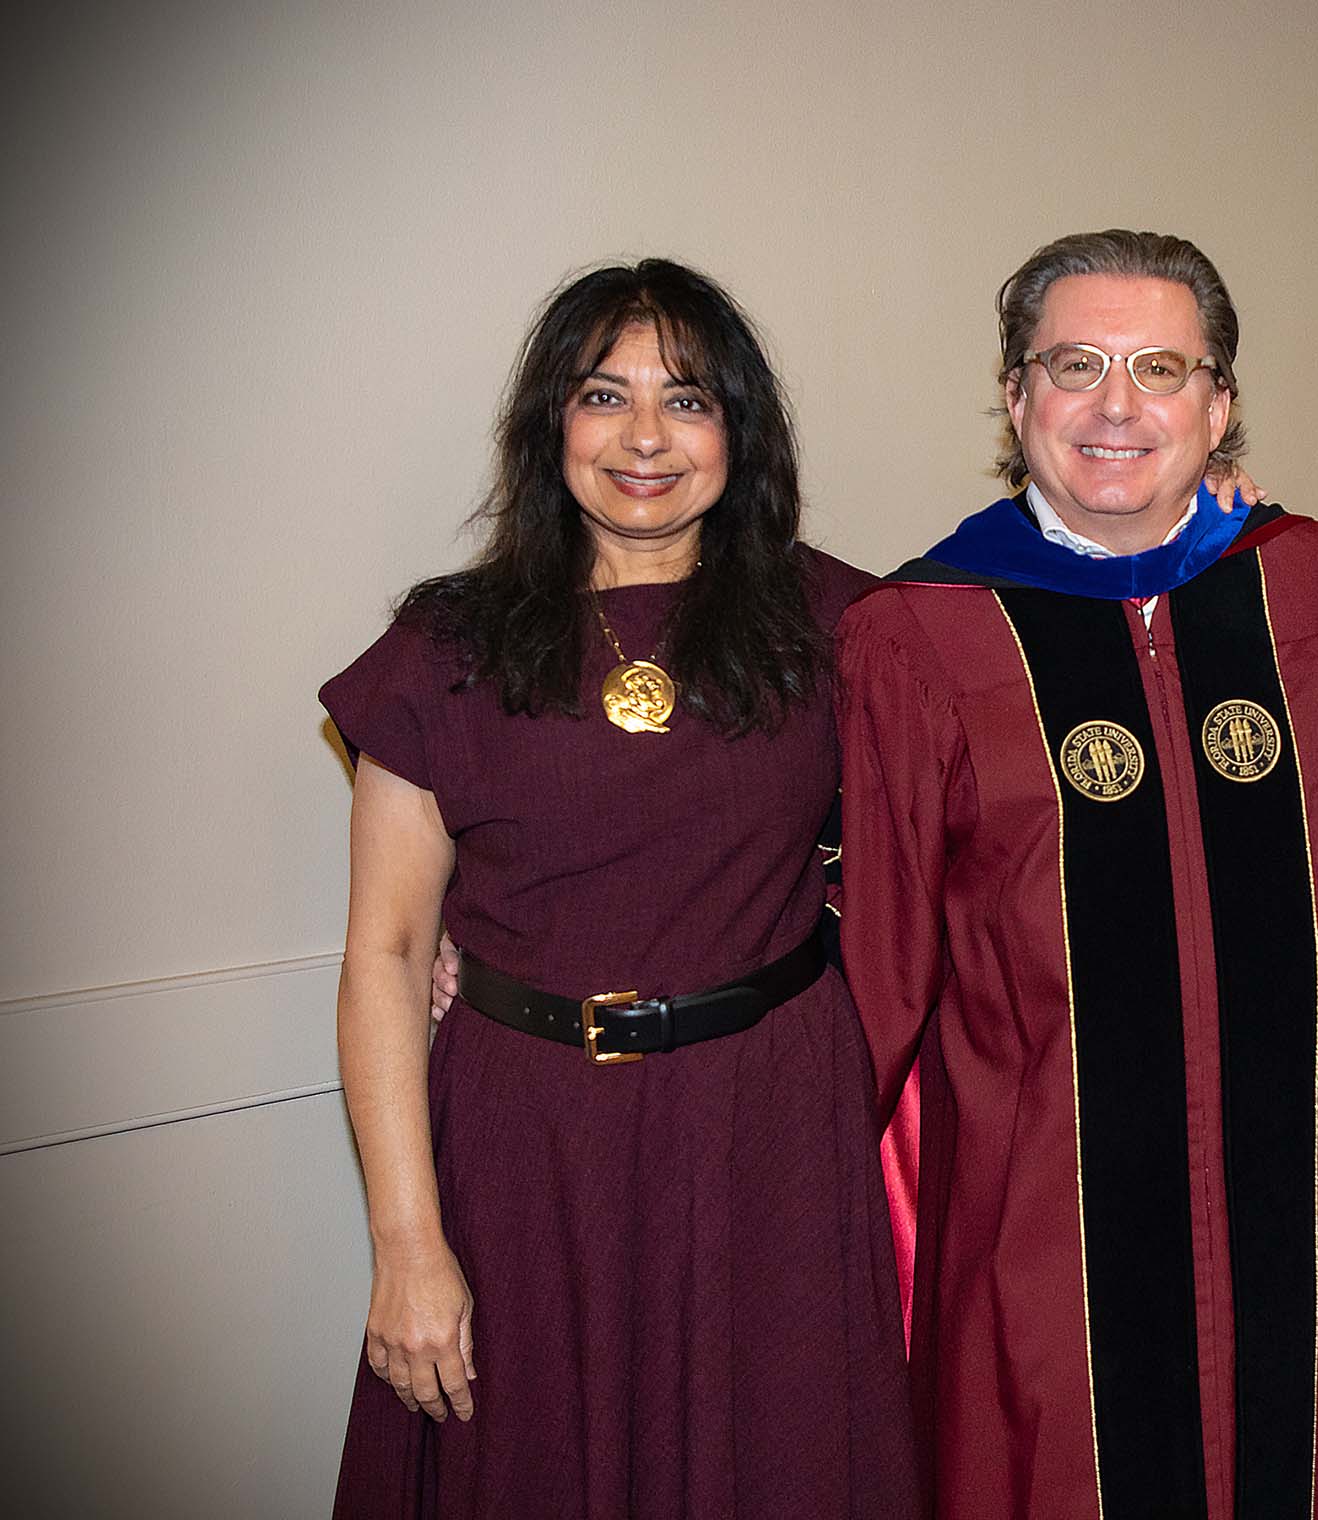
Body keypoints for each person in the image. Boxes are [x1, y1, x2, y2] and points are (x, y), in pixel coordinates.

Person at [321, 259, 917, 1518]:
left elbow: (999, 752)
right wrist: (406, 1243)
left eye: (687, 399)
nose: (646, 435)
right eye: (604, 394)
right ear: (552, 424)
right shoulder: (445, 649)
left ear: (738, 432)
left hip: (768, 1134)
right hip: (529, 1142)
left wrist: (1197, 537)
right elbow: (385, 952)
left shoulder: (842, 625)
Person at [834, 229, 1318, 1520]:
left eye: (1161, 368)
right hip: (1045, 1245)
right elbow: (868, 971)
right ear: (1015, 395)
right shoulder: (920, 635)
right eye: (1075, 364)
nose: (1116, 406)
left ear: (1221, 403)